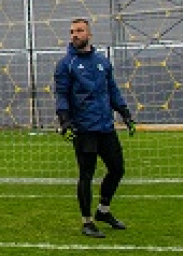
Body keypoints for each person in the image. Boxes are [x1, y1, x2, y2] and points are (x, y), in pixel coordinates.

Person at [54, 17, 137, 238]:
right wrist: (65, 120)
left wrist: (124, 112)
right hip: (84, 130)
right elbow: (62, 95)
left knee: (117, 169)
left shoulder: (103, 61)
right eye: (72, 31)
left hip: (105, 127)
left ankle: (103, 211)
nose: (75, 34)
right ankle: (87, 222)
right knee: (86, 175)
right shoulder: (66, 65)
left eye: (80, 30)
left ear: (89, 34)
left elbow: (112, 90)